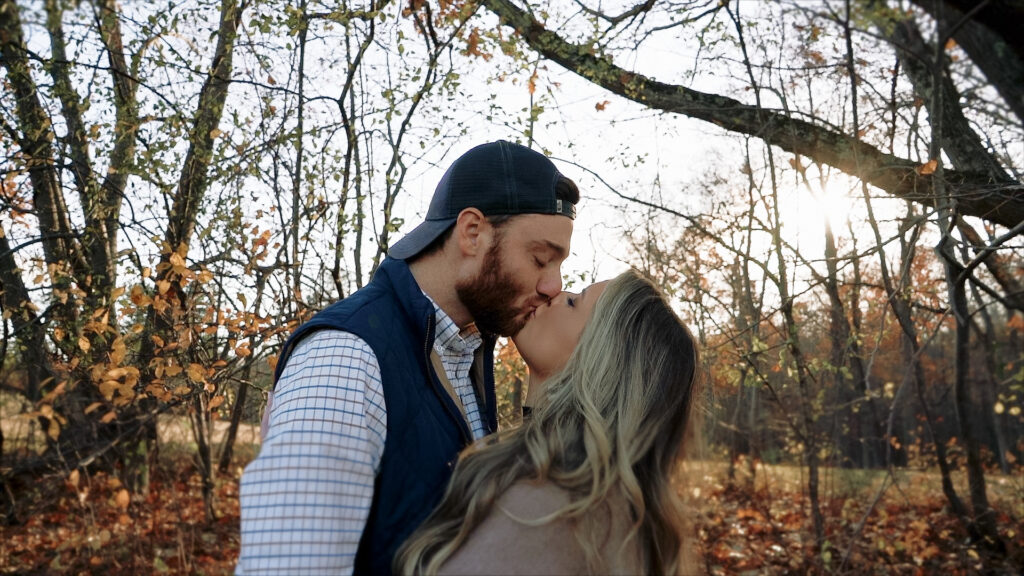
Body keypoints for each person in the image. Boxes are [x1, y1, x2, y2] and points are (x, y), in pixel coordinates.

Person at [237, 141, 580, 575]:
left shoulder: (464, 352)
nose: (554, 285)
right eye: (540, 259)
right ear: (472, 232)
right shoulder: (344, 359)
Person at [396, 270, 700, 575]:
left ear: (599, 360)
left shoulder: (553, 508)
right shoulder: (608, 504)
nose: (555, 294)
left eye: (573, 303)